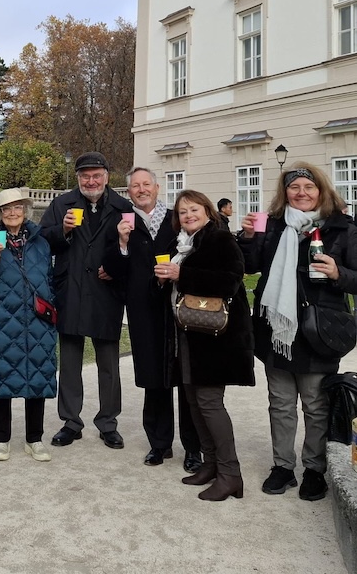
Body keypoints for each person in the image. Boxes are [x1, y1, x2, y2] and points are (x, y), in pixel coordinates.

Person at [239, 162, 357, 501]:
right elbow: (249, 266)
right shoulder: (273, 225)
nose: (302, 193)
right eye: (294, 188)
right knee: (280, 402)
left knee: (316, 405)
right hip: (277, 328)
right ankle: (283, 467)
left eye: (308, 187)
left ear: (321, 190)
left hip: (318, 330)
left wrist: (339, 273)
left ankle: (314, 470)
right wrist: (248, 237)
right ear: (285, 192)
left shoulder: (341, 229)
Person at [156, 190, 254, 501]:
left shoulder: (220, 239)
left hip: (217, 337)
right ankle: (211, 465)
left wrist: (181, 273)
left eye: (194, 209)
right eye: (182, 212)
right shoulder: (182, 244)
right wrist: (165, 279)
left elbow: (230, 280)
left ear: (208, 212)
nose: (188, 216)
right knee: (194, 402)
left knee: (210, 403)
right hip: (188, 333)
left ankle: (231, 474)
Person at [103, 168, 202, 471]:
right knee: (153, 376)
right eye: (135, 186)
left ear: (158, 188)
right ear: (128, 191)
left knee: (186, 378)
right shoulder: (121, 222)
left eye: (146, 184)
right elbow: (111, 270)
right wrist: (121, 244)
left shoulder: (177, 218)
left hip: (179, 306)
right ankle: (159, 444)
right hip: (143, 308)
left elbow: (199, 254)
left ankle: (193, 448)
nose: (141, 189)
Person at [39, 151, 131, 449]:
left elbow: (133, 250)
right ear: (78, 178)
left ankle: (108, 422)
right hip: (72, 290)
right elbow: (42, 241)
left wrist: (115, 266)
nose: (91, 181)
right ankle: (71, 421)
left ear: (106, 176)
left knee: (109, 364)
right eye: (85, 176)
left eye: (96, 175)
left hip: (106, 293)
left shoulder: (122, 206)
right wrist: (63, 229)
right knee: (69, 362)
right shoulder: (61, 204)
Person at [0, 189, 57, 461]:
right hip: (0, 321)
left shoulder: (40, 243)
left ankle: (35, 438)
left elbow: (49, 278)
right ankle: (1, 439)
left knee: (37, 377)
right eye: (6, 209)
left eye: (17, 208)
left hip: (37, 321)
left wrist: (51, 307)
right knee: (0, 377)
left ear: (25, 211)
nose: (12, 213)